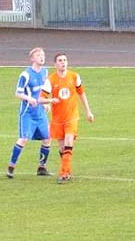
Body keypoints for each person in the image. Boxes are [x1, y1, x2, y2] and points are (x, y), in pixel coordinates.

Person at [39, 53, 95, 184]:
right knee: (62, 148)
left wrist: (88, 111)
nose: (63, 62)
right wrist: (49, 101)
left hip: (72, 117)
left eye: (64, 60)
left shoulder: (74, 76)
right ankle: (67, 172)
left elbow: (81, 93)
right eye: (60, 60)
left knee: (69, 143)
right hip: (57, 119)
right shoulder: (50, 80)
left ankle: (63, 173)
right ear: (55, 64)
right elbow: (40, 98)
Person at [6, 47, 56, 179]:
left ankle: (42, 167)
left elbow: (43, 91)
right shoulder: (25, 75)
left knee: (47, 138)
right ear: (32, 58)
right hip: (27, 112)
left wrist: (45, 103)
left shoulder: (45, 72)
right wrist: (29, 98)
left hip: (39, 112)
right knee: (23, 139)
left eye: (43, 55)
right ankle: (11, 167)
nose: (42, 57)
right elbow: (18, 93)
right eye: (39, 55)